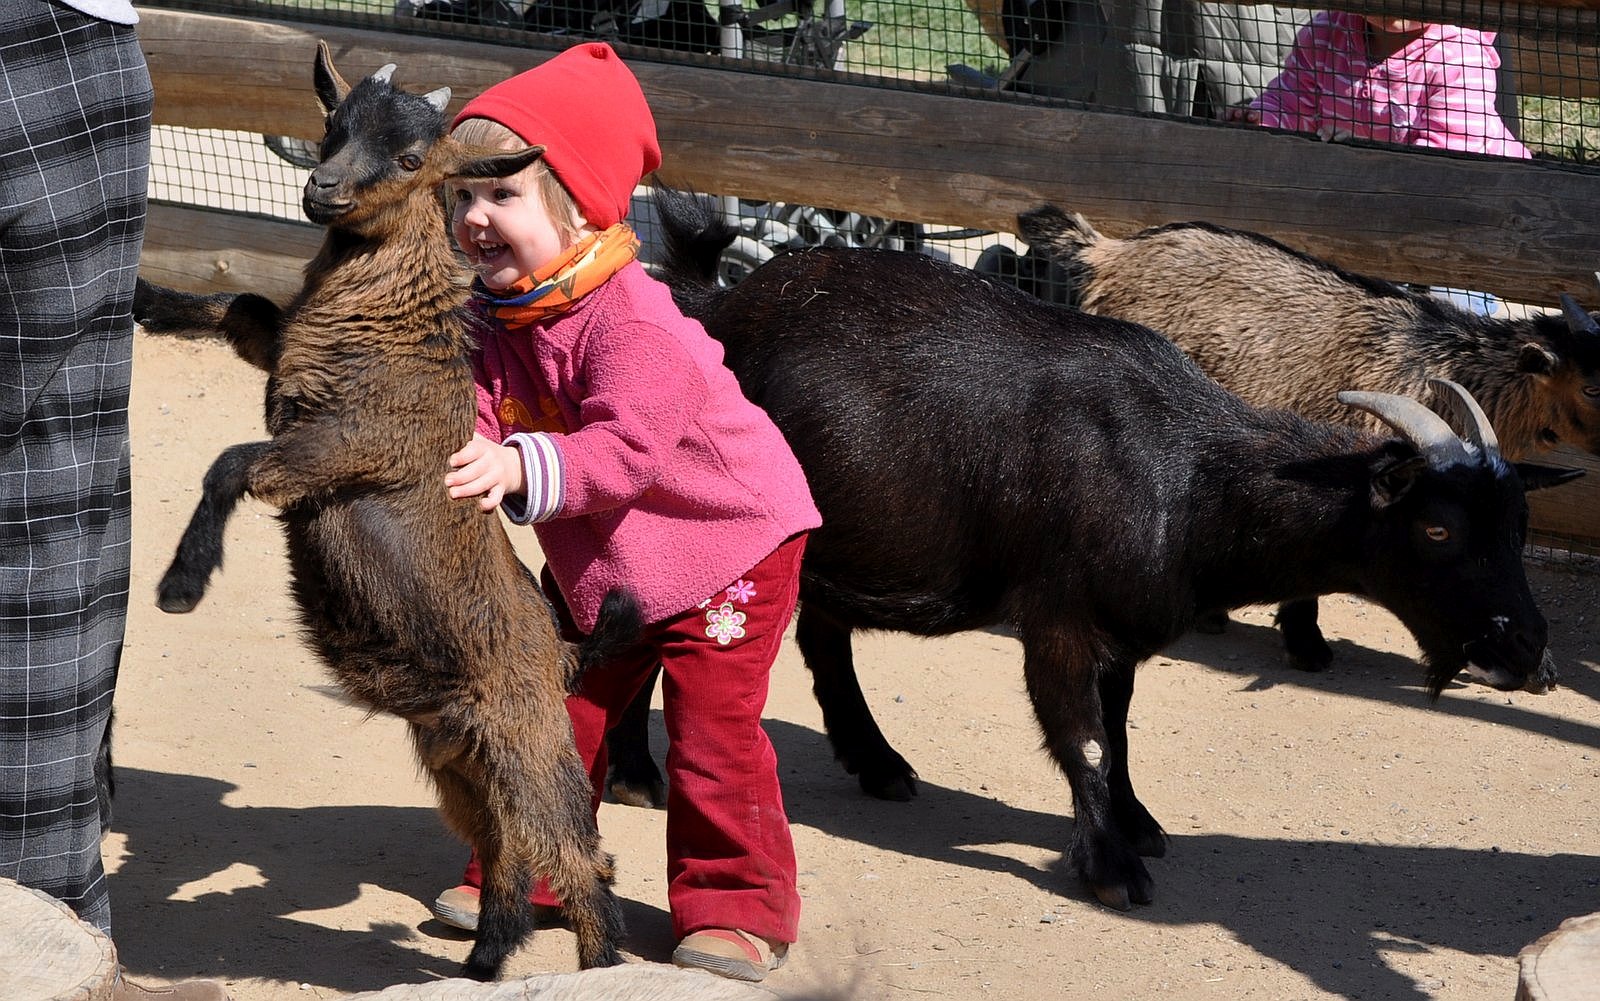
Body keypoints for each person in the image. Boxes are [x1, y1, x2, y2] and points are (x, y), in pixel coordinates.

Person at [432, 42, 821, 983]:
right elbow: (474, 410)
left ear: (578, 204)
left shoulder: (633, 321)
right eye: (461, 200)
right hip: (606, 563)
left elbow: (623, 451)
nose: (476, 221)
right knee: (559, 709)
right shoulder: (498, 314)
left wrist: (512, 464)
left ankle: (736, 905)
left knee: (712, 732)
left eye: (503, 197)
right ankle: (540, 866)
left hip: (726, 546)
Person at [0, 3, 228, 999]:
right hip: (43, 45)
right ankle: (45, 940)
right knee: (52, 480)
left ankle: (59, 939)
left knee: (60, 473)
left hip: (56, 43)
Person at [1223, 10, 1528, 314]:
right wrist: (1263, 118)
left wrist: (1367, 175)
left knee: (1449, 303)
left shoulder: (1458, 54)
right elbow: (1292, 97)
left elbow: (1448, 167)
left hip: (1467, 212)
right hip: (1369, 205)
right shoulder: (1326, 32)